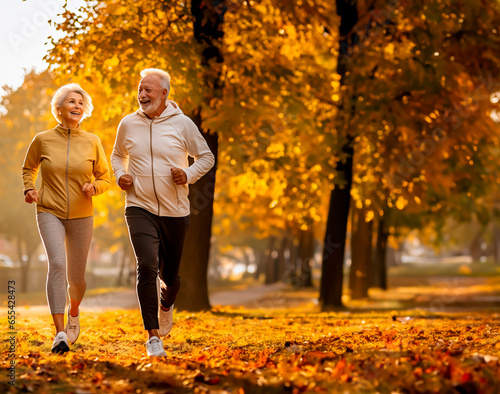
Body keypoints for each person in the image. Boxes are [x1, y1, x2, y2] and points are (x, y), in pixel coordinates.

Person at [111, 68, 214, 357]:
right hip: (138, 205)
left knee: (170, 277)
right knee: (146, 265)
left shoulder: (182, 124)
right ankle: (153, 337)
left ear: (164, 94)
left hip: (175, 210)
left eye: (149, 90)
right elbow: (117, 155)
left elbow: (206, 157)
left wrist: (188, 173)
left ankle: (167, 303)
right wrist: (120, 175)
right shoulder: (128, 124)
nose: (142, 95)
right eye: (140, 90)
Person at [22, 84, 110, 354]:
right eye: (71, 101)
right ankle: (59, 333)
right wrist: (29, 188)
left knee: (77, 278)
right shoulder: (42, 139)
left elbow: (106, 177)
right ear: (59, 108)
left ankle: (74, 311)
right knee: (57, 264)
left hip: (82, 215)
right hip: (49, 209)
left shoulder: (93, 141)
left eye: (81, 103)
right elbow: (29, 168)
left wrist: (95, 187)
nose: (77, 106)